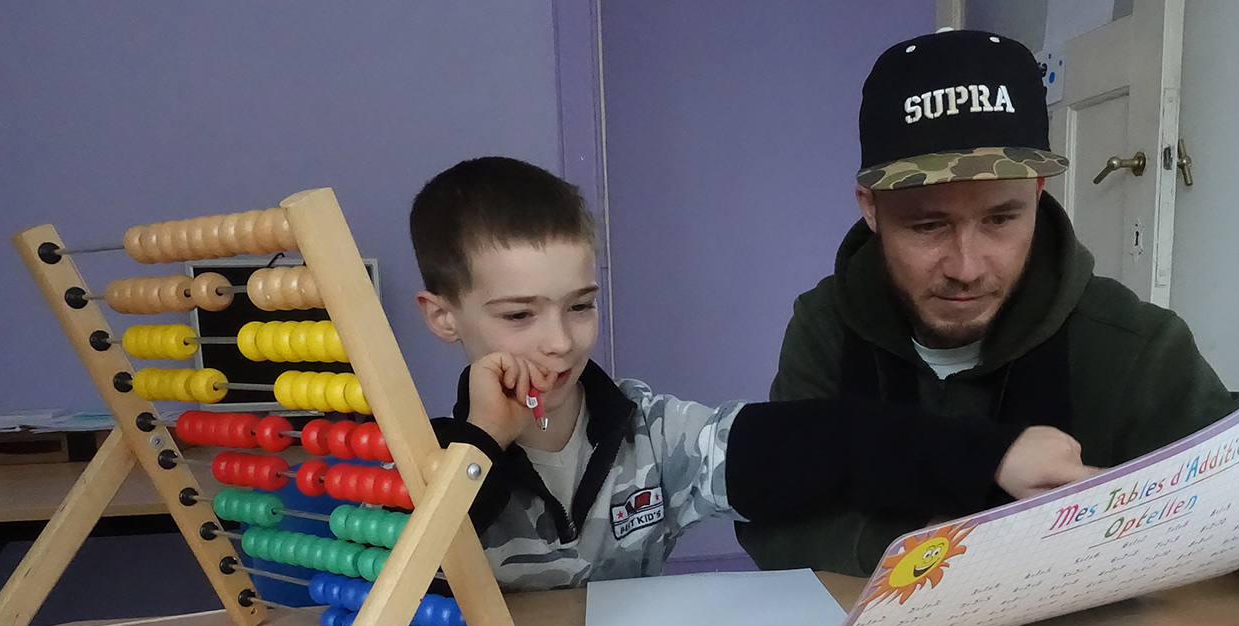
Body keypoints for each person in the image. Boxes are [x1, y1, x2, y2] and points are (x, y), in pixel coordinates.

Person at [735, 29, 1239, 597]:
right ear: (870, 208)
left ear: (1038, 192)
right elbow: (777, 516)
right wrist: (944, 559)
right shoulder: (825, 328)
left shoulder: (1132, 345)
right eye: (927, 225)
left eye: (1001, 218)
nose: (967, 265)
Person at [411, 156, 1070, 591]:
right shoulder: (416, 461)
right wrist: (482, 443)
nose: (560, 342)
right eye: (519, 314)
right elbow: (408, 578)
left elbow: (835, 438)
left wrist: (995, 455)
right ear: (443, 317)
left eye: (580, 305)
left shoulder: (654, 437)